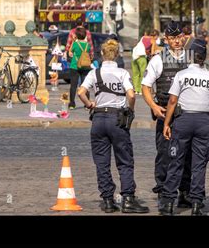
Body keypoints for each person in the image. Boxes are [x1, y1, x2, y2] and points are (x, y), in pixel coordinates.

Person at [78, 38, 149, 214]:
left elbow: (81, 92)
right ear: (117, 55)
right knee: (124, 160)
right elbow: (131, 95)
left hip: (98, 118)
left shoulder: (94, 73)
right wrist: (129, 111)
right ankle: (127, 199)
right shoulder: (122, 73)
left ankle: (108, 200)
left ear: (102, 54)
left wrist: (89, 104)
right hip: (116, 118)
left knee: (101, 162)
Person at [159, 39, 209, 215]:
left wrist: (166, 123)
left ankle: (169, 203)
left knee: (176, 162)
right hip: (203, 122)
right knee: (199, 165)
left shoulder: (182, 75)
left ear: (191, 56)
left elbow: (172, 101)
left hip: (183, 120)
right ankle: (196, 204)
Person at [141, 21, 193, 207]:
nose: (177, 41)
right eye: (173, 38)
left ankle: (185, 191)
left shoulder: (192, 58)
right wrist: (154, 106)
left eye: (179, 37)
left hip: (187, 114)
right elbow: (145, 86)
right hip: (165, 114)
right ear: (166, 39)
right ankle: (163, 190)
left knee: (187, 154)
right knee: (165, 154)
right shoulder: (158, 59)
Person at [68, 28, 92, 109]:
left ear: (76, 35)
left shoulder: (75, 44)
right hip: (85, 66)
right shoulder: (87, 45)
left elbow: (70, 52)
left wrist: (74, 41)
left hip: (75, 66)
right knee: (85, 85)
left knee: (73, 86)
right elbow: (90, 54)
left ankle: (72, 104)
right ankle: (87, 103)